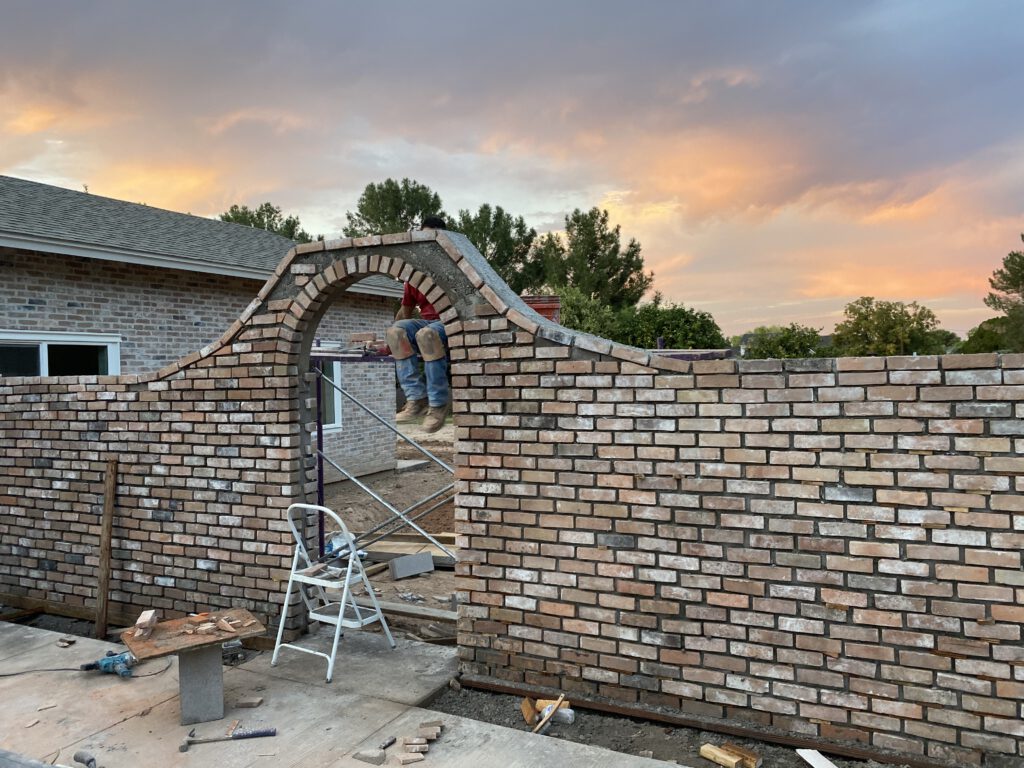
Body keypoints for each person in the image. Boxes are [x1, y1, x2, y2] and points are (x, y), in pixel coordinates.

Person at [385, 215, 450, 433]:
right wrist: (391, 341)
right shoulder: (415, 274)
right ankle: (416, 399)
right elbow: (405, 310)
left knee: (426, 335)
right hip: (428, 321)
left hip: (450, 321)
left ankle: (438, 405)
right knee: (395, 332)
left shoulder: (451, 265)